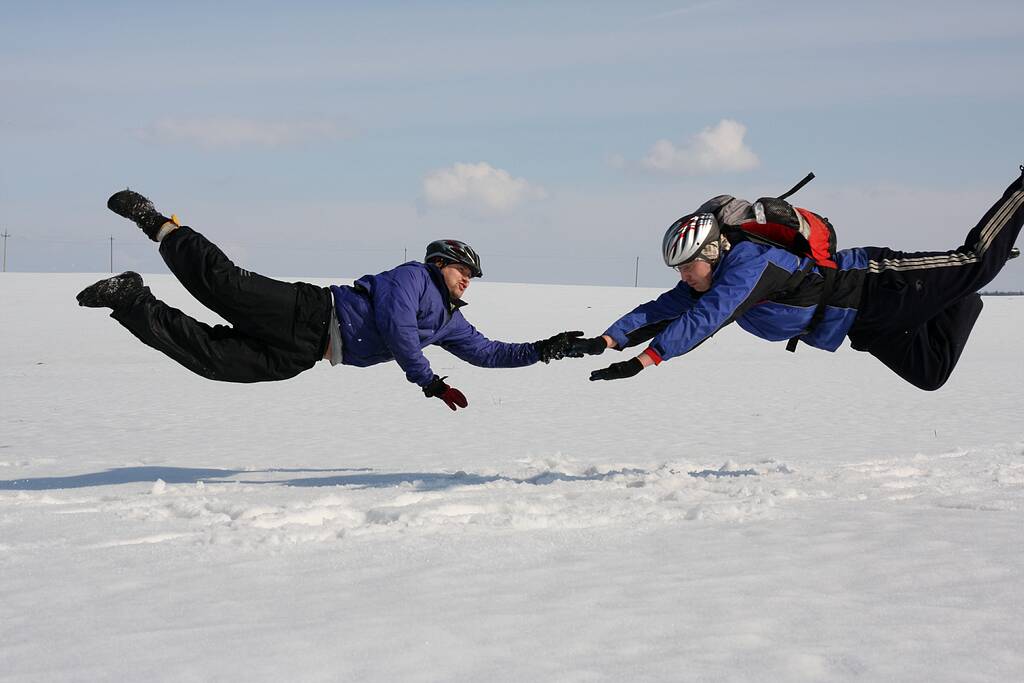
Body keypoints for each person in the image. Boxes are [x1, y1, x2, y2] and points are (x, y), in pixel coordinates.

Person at [77, 190, 585, 410]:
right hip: (311, 310)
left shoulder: (449, 323)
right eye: (463, 270)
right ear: (438, 263)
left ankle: (131, 299)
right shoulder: (411, 279)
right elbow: (397, 329)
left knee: (213, 361)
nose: (468, 280)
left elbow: (491, 352)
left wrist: (547, 347)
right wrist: (428, 381)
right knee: (221, 284)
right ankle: (159, 224)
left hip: (309, 353)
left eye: (473, 276)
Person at [570, 167, 1024, 391]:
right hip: (859, 324)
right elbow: (662, 310)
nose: (684, 278)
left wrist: (646, 361)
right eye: (679, 271)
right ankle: (961, 293)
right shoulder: (707, 279)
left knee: (976, 259)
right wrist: (608, 341)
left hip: (877, 284)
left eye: (689, 266)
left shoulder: (749, 264)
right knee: (931, 373)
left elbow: (709, 318)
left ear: (714, 250)